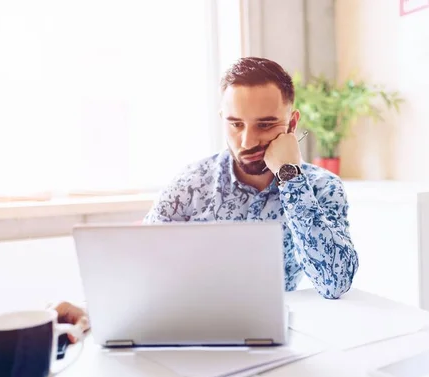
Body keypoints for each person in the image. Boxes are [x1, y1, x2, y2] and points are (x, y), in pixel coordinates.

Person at [55, 57, 359, 342]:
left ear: (292, 125)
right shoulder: (192, 183)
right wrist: (90, 308)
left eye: (265, 125)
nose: (247, 141)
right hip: (193, 336)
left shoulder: (321, 187)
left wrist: (291, 177)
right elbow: (140, 268)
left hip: (282, 339)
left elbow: (335, 283)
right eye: (236, 124)